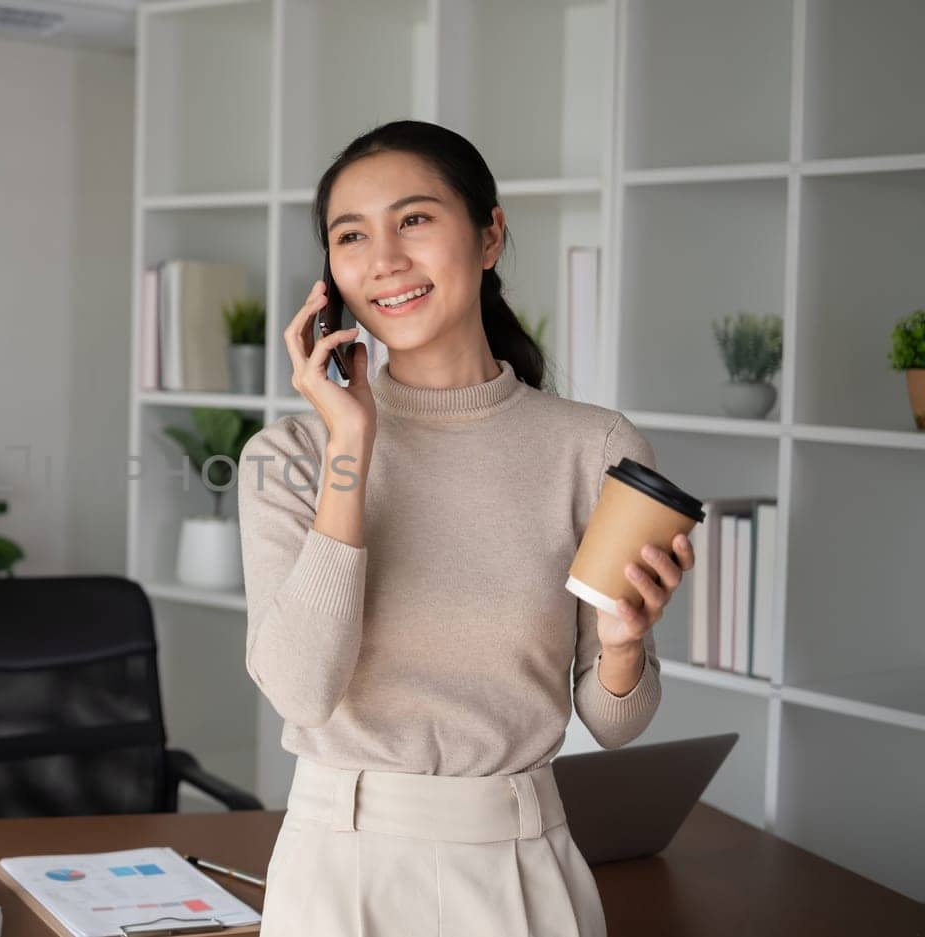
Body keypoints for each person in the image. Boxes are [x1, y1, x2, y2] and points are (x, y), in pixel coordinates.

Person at [236, 119, 696, 936]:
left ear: (489, 236)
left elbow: (616, 720)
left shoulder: (594, 447)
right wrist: (351, 443)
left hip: (523, 868)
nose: (384, 259)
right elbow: (304, 689)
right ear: (333, 272)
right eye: (352, 235)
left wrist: (623, 646)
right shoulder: (288, 456)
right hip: (338, 871)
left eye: (414, 219)